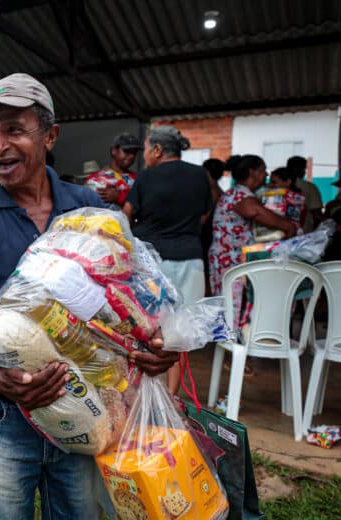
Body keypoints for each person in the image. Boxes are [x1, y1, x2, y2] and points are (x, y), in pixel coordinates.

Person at [0, 73, 179, 520]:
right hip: (3, 416)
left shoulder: (87, 207)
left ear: (50, 135)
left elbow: (123, 302)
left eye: (13, 130)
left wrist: (151, 347)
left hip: (92, 409)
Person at [122, 126, 212, 394]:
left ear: (158, 150)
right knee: (179, 335)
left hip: (153, 263)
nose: (146, 155)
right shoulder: (200, 175)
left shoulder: (146, 178)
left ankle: (139, 394)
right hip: (191, 260)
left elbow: (126, 213)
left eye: (147, 149)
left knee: (146, 331)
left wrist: (135, 246)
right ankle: (171, 396)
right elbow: (205, 214)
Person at [207, 155, 295, 302]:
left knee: (230, 307)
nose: (266, 175)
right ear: (252, 172)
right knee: (231, 308)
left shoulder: (238, 192)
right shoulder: (240, 193)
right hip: (230, 260)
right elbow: (254, 211)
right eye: (263, 170)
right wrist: (287, 226)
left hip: (230, 259)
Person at [84, 133, 142, 209]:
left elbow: (147, 203)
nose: (131, 156)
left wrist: (119, 196)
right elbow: (85, 206)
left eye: (134, 153)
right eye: (127, 151)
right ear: (114, 151)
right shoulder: (95, 179)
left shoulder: (138, 179)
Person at [201, 158, 226, 295]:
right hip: (211, 234)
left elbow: (204, 217)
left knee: (206, 274)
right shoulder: (219, 189)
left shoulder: (212, 190)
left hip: (207, 235)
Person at [287, 155, 323, 232]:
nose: (305, 172)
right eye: (304, 169)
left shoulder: (276, 186)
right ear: (300, 169)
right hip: (304, 233)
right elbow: (317, 214)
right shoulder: (310, 188)